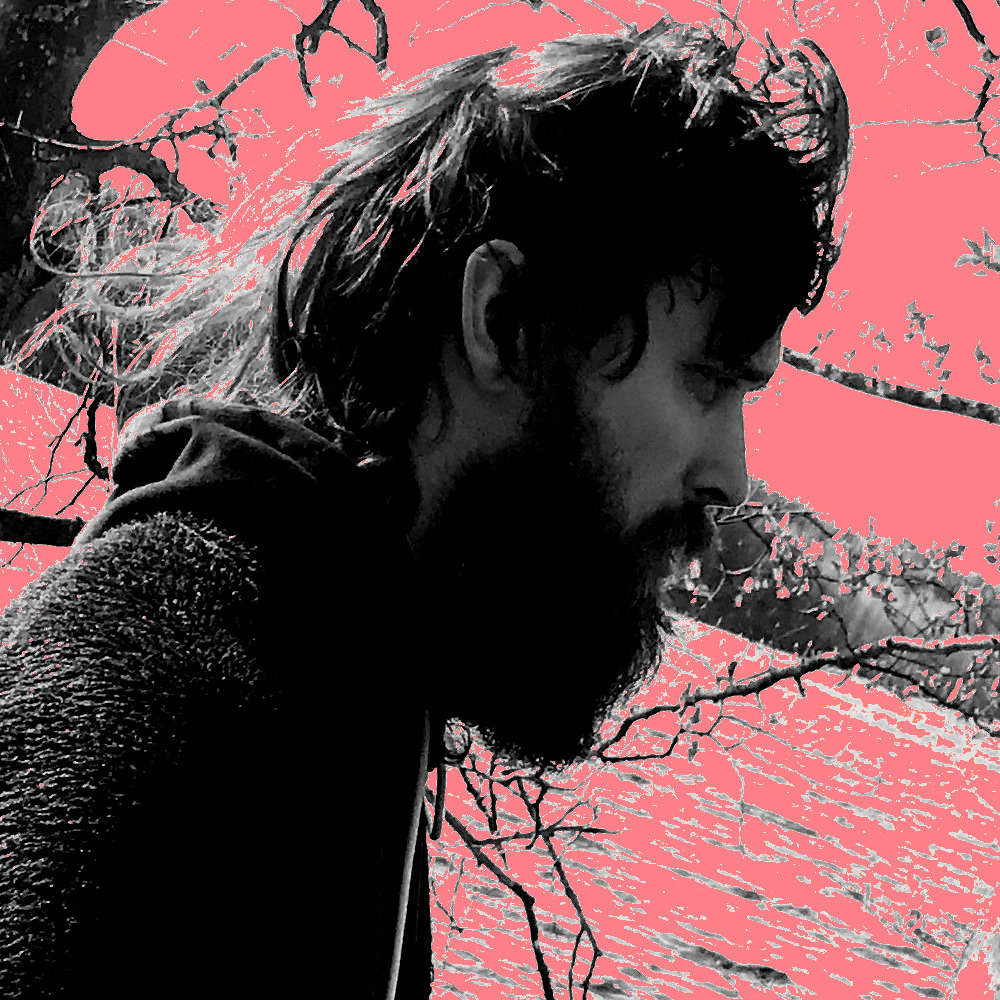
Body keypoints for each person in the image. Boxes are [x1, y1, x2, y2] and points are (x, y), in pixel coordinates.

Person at [0, 16, 849, 1000]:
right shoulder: (159, 702)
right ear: (504, 321)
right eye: (707, 379)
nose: (732, 476)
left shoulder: (339, 663)